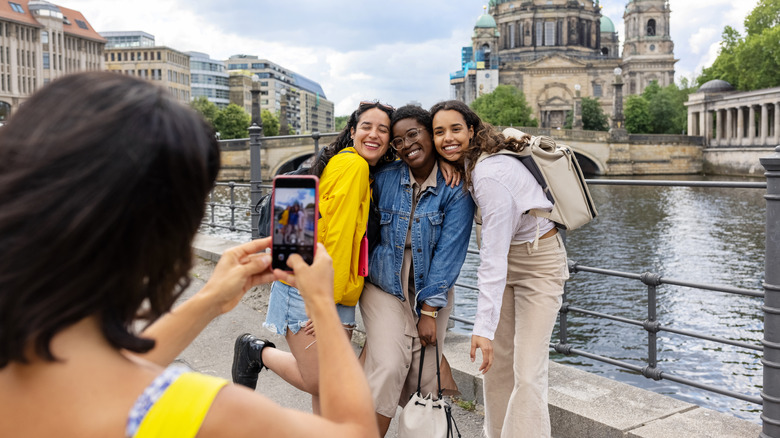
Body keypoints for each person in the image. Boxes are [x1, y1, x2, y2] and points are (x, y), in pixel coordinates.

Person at [0, 72, 379, 438]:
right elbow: (354, 432)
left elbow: (99, 375)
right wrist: (321, 305)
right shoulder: (198, 412)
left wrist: (211, 299)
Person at [232, 101, 395, 413]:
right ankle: (255, 352)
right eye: (367, 127)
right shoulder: (355, 166)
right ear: (352, 131)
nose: (374, 134)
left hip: (332, 290)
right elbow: (337, 238)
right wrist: (324, 305)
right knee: (321, 381)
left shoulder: (347, 162)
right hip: (315, 291)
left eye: (383, 129)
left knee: (328, 391)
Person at [430, 100, 569, 438]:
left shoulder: (489, 176)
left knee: (528, 372)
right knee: (496, 370)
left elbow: (491, 260)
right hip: (510, 258)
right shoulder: (472, 161)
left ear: (472, 130)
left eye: (455, 129)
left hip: (538, 263)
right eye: (439, 132)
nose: (447, 137)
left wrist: (482, 327)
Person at [360, 105, 474, 435]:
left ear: (429, 133)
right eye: (397, 140)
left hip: (430, 289)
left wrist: (429, 311)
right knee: (392, 364)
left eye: (414, 134)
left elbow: (449, 256)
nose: (407, 144)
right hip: (384, 285)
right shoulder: (384, 179)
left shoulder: (456, 188)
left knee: (425, 377)